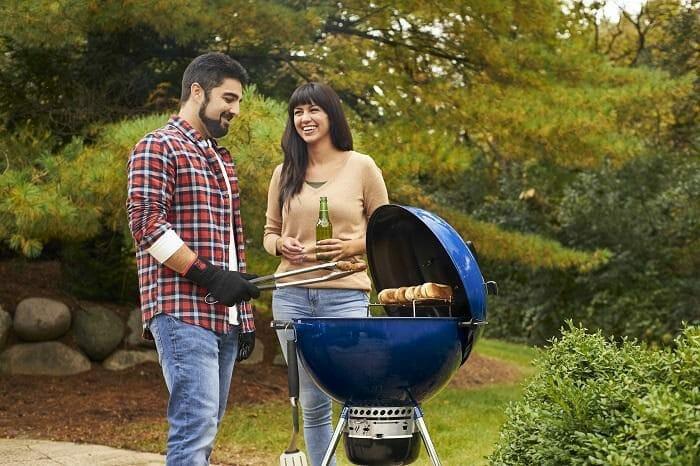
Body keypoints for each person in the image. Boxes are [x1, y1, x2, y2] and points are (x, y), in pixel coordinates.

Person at [126, 52, 260, 466]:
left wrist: (245, 317)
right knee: (195, 427)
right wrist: (207, 276)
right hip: (181, 312)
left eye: (239, 101)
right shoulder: (157, 145)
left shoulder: (220, 159)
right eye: (229, 98)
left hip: (224, 318)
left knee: (207, 427)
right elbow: (146, 224)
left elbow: (229, 244)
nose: (235, 110)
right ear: (197, 91)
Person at [263, 82, 389, 465]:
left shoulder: (362, 166)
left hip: (345, 296)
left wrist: (351, 247)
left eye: (313, 110)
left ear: (331, 115)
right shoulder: (284, 172)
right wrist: (280, 245)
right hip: (292, 295)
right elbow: (269, 234)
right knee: (313, 403)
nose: (305, 119)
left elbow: (388, 232)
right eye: (298, 112)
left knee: (354, 395)